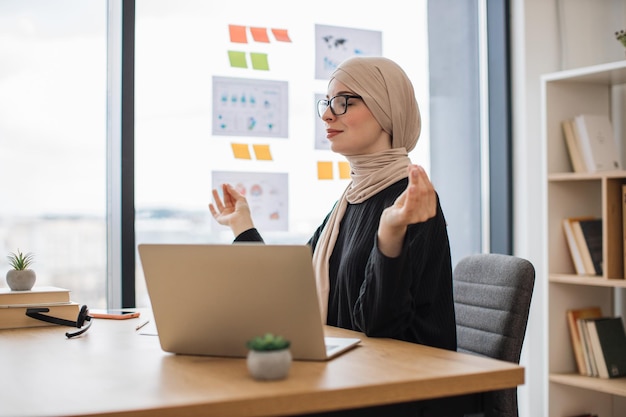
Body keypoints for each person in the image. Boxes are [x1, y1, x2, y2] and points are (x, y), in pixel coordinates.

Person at [209, 56, 456, 352]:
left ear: (385, 109)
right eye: (326, 103)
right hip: (350, 373)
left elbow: (378, 326)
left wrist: (391, 232)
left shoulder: (412, 201)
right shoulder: (349, 201)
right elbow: (289, 289)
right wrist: (242, 224)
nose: (327, 115)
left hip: (403, 386)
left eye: (342, 102)